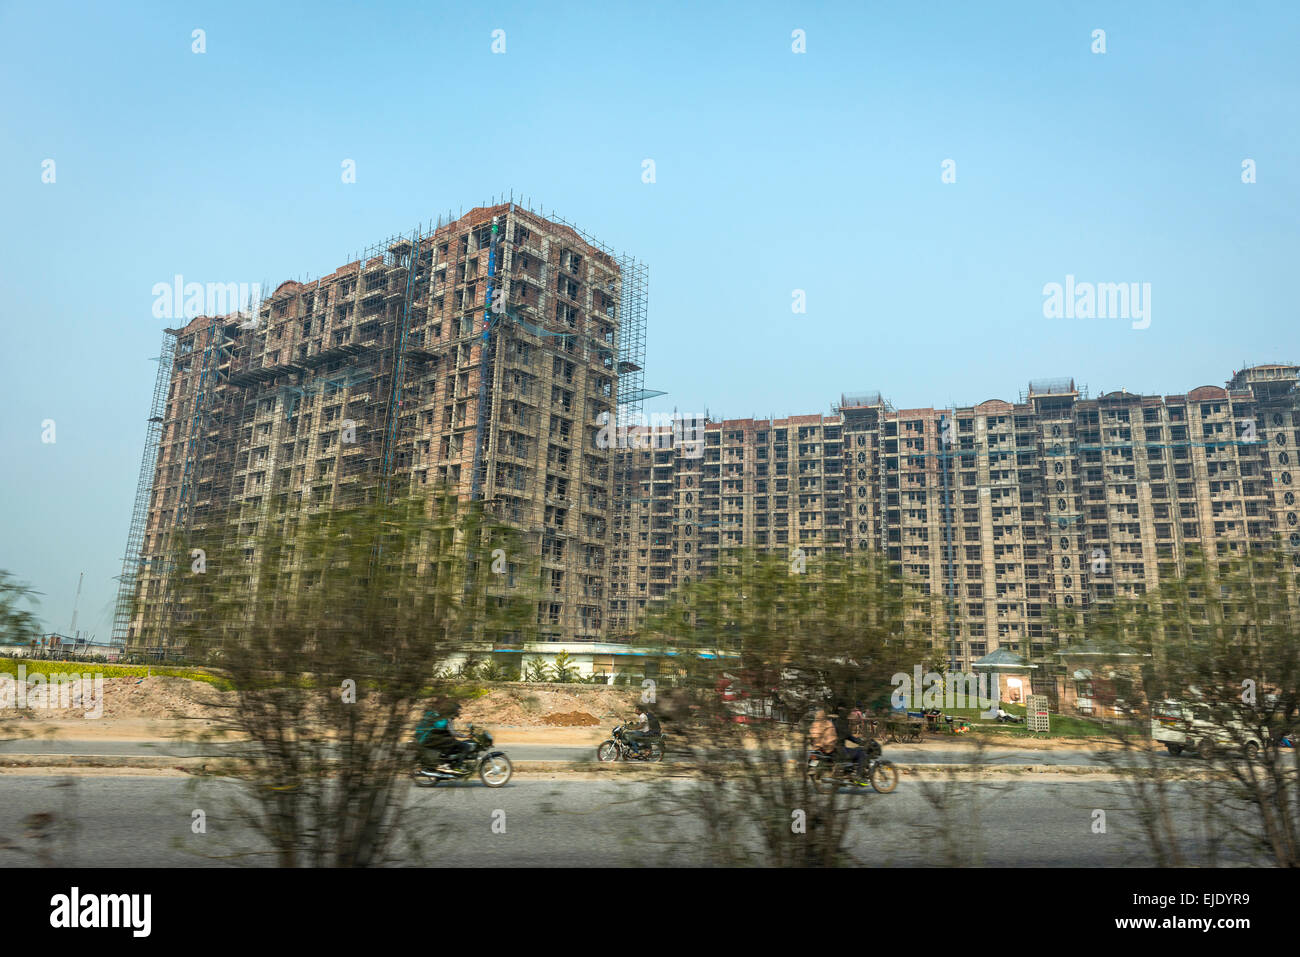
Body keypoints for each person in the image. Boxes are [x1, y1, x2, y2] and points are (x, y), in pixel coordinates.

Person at [416, 700, 471, 769]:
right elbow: (453, 732)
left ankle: (446, 768)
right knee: (466, 746)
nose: (458, 712)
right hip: (441, 741)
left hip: (436, 740)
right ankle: (458, 766)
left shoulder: (442, 717)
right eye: (458, 710)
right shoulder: (448, 719)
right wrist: (465, 736)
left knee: (455, 743)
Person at [831, 703, 870, 779]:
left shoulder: (836, 722)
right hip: (841, 750)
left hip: (838, 748)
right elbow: (849, 736)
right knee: (860, 752)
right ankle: (858, 776)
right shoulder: (841, 723)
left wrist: (858, 740)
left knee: (855, 750)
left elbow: (848, 736)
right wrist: (861, 742)